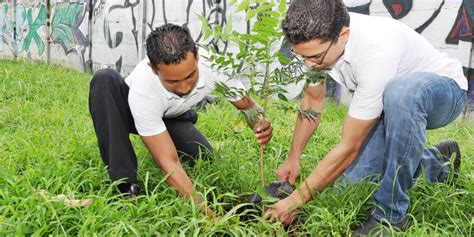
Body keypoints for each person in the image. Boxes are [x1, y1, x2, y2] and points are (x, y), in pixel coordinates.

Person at [266, 0, 468, 235]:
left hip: (443, 95)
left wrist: (295, 200)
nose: (309, 64)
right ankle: (438, 162)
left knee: (402, 91)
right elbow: (312, 102)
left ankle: (390, 217)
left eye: (316, 57)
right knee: (349, 187)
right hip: (389, 106)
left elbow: (350, 146)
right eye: (302, 56)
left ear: (343, 35)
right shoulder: (319, 41)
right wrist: (294, 157)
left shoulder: (375, 49)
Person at [88, 24, 273, 217]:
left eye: (190, 76)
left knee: (205, 159)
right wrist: (207, 215)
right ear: (153, 69)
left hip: (173, 116)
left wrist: (260, 123)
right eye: (173, 82)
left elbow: (249, 107)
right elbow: (168, 163)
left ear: (198, 56)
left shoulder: (216, 66)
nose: (184, 88)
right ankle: (125, 186)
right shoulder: (143, 89)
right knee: (104, 79)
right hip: (129, 113)